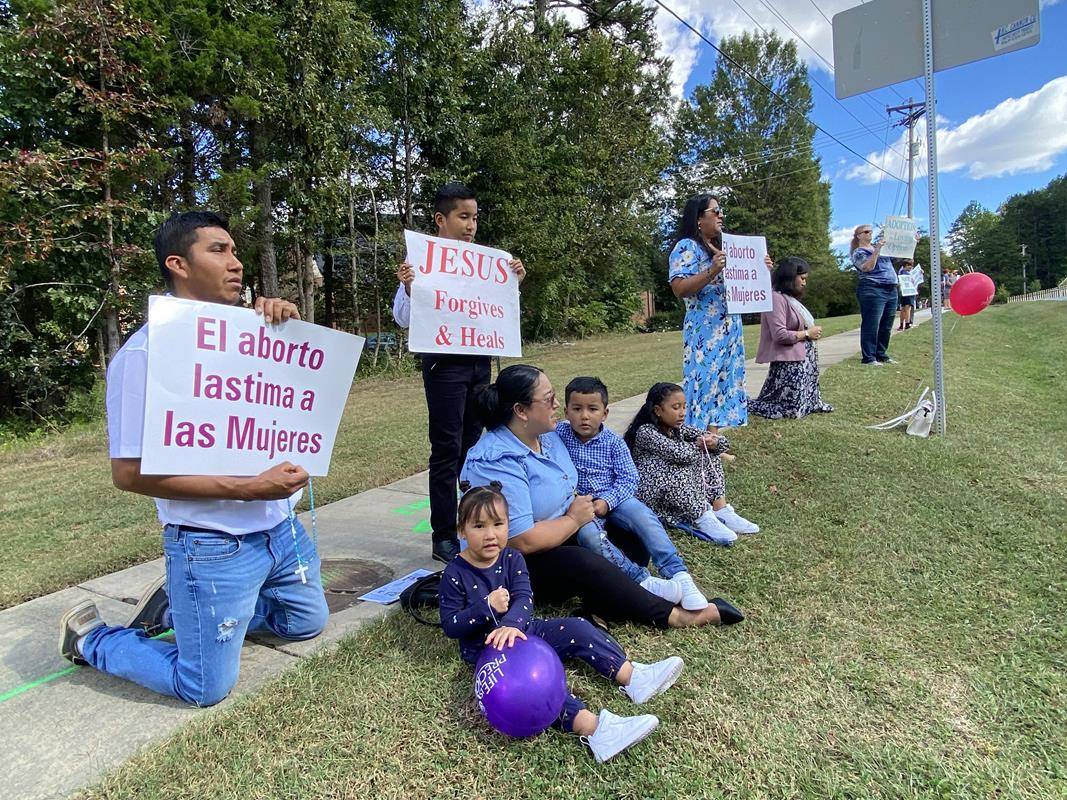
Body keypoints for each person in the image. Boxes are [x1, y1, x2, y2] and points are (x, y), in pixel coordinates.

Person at [58, 211, 329, 707]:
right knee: (205, 686)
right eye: (218, 251)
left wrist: (289, 332)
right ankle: (92, 640)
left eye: (235, 251)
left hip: (281, 529)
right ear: (178, 264)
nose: (237, 263)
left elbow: (294, 401)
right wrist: (245, 489)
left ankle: (183, 614)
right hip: (212, 542)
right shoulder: (143, 355)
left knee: (306, 622)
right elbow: (128, 474)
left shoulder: (257, 334)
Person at [460, 365, 744, 630]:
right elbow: (520, 540)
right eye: (549, 399)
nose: (558, 405)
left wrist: (589, 512)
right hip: (516, 561)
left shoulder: (548, 435)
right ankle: (673, 615)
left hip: (564, 528)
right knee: (584, 562)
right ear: (521, 410)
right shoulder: (495, 460)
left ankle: (603, 601)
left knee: (632, 540)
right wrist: (574, 519)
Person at [440, 484, 682, 762]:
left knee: (578, 626)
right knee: (535, 686)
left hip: (523, 631)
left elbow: (524, 597)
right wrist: (486, 607)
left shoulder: (511, 557)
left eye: (498, 524)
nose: (491, 534)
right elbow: (451, 625)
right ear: (461, 531)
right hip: (489, 650)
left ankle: (632, 676)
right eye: (479, 526)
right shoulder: (454, 573)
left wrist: (513, 625)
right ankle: (596, 730)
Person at [392, 182, 526, 564]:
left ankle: (474, 526)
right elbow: (402, 319)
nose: (471, 226)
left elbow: (497, 313)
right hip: (443, 364)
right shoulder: (422, 261)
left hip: (478, 362)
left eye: (475, 218)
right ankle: (443, 535)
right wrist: (407, 287)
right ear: (441, 219)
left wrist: (512, 280)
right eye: (463, 217)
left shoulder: (485, 265)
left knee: (473, 445)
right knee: (447, 449)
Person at [555, 377, 709, 611]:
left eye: (592, 409)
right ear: (566, 412)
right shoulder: (558, 435)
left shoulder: (613, 442)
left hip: (615, 498)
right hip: (581, 507)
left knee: (645, 518)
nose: (584, 416)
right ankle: (641, 579)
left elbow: (629, 478)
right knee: (589, 537)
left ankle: (679, 574)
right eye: (577, 409)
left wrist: (608, 501)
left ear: (605, 413)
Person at [667, 194, 773, 432]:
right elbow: (679, 288)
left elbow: (746, 284)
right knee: (702, 384)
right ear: (698, 219)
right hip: (705, 328)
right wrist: (712, 270)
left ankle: (713, 440)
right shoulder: (687, 247)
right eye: (715, 211)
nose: (721, 215)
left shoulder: (728, 247)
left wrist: (761, 268)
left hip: (730, 328)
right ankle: (696, 438)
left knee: (725, 383)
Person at [624, 383, 759, 545]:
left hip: (674, 493)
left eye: (684, 407)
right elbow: (679, 454)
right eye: (676, 407)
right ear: (658, 410)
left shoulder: (678, 429)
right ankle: (701, 517)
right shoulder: (646, 431)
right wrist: (701, 444)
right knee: (681, 460)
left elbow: (721, 443)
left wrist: (713, 442)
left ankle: (720, 509)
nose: (682, 413)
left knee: (711, 452)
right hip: (650, 494)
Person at [749, 257, 834, 419]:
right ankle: (744, 403)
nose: (804, 283)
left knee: (802, 407)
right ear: (790, 277)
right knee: (790, 410)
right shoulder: (776, 298)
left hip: (803, 361)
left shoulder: (790, 299)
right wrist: (807, 334)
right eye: (802, 278)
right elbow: (779, 335)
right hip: (789, 363)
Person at [850, 224, 898, 365]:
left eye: (871, 231)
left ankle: (881, 354)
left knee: (886, 324)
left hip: (891, 289)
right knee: (872, 324)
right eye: (866, 231)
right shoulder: (858, 252)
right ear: (859, 236)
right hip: (872, 288)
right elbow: (867, 267)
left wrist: (911, 242)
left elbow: (900, 258)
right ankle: (869, 357)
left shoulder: (882, 250)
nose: (870, 233)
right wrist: (876, 250)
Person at [897, 258, 919, 330]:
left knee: (903, 309)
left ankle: (901, 325)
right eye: (911, 266)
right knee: (907, 308)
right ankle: (907, 324)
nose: (911, 267)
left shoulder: (901, 271)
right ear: (906, 265)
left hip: (903, 293)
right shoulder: (905, 273)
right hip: (908, 293)